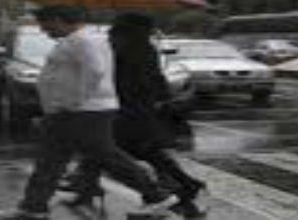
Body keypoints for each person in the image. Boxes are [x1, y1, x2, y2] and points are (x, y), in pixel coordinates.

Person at [0, 6, 178, 220]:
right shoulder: (86, 39)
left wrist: (76, 100)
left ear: (58, 18)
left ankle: (156, 196)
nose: (44, 31)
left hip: (83, 112)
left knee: (106, 155)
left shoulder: (81, 41)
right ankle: (33, 207)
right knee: (50, 160)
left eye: (45, 25)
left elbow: (96, 70)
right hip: (71, 111)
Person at [62, 13, 207, 217]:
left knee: (115, 151)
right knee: (118, 151)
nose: (113, 32)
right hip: (135, 110)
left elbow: (128, 82)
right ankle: (86, 187)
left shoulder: (130, 51)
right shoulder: (139, 48)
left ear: (127, 31)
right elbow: (154, 82)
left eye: (117, 29)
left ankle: (158, 196)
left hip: (129, 112)